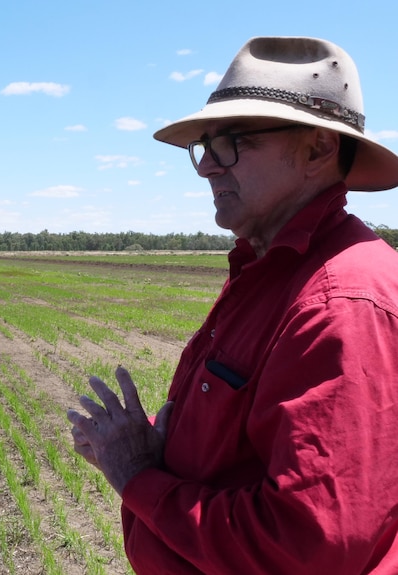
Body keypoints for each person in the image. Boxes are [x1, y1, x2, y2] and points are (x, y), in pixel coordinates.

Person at [67, 36, 398, 574]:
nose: (207, 168)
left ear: (316, 150)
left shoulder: (340, 303)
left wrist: (136, 477)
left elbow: (305, 546)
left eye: (232, 143)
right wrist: (151, 441)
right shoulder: (268, 270)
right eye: (205, 147)